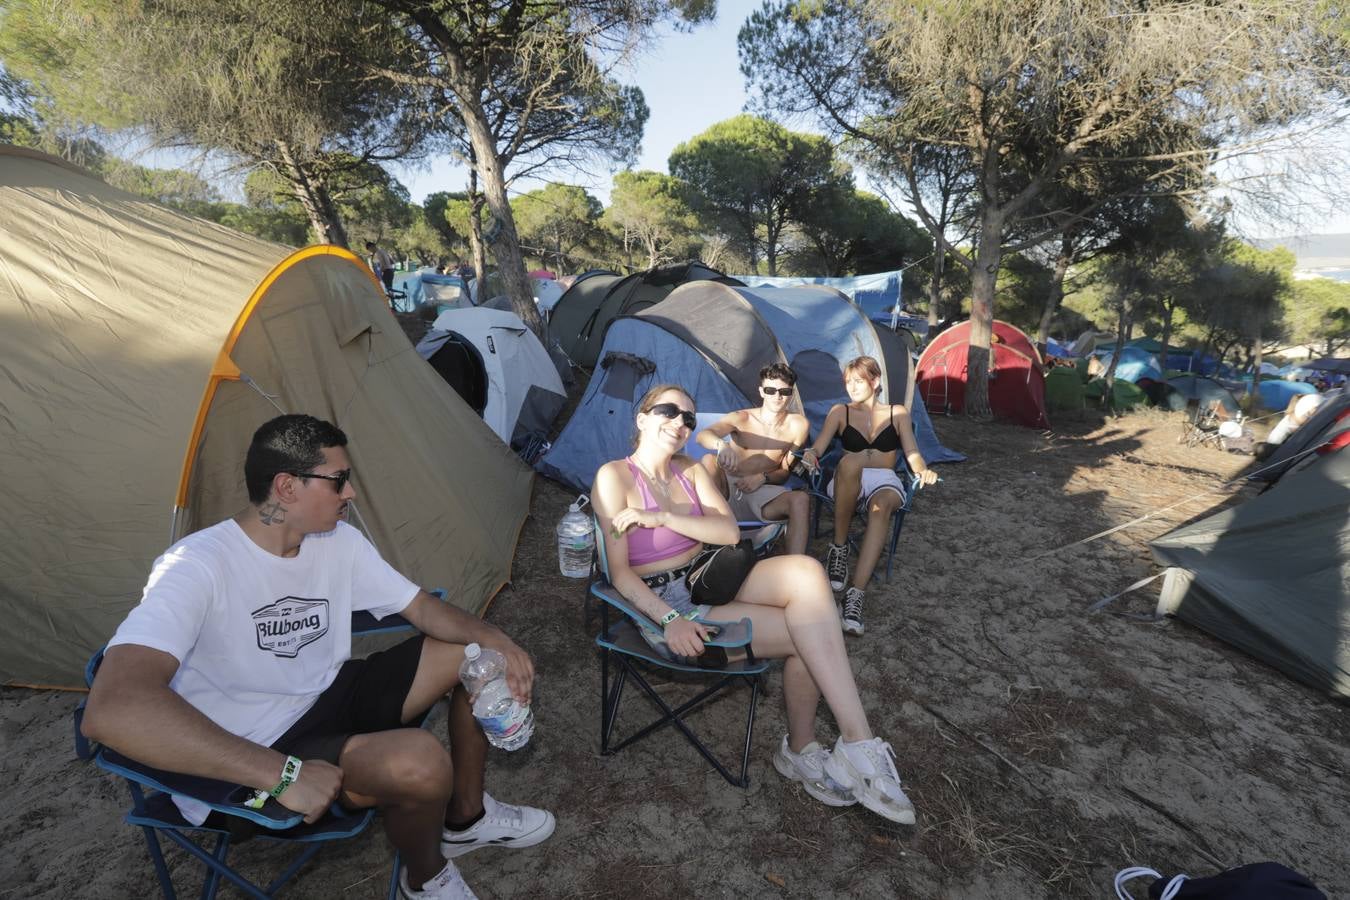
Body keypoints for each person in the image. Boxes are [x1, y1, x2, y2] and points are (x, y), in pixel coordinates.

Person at [80, 414, 553, 900]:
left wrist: (499, 639)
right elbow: (113, 707)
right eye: (338, 480)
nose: (349, 493)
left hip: (324, 696)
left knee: (473, 655)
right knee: (422, 763)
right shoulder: (196, 566)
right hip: (255, 745)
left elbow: (421, 607)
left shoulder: (336, 541)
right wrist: (281, 773)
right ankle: (426, 875)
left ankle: (466, 818)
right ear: (286, 487)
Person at [590, 384, 917, 825]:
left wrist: (663, 517)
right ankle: (811, 750)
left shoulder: (690, 471)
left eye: (688, 418)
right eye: (669, 411)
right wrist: (668, 620)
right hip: (665, 604)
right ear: (642, 418)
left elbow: (728, 533)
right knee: (812, 632)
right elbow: (621, 573)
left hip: (711, 576)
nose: (680, 423)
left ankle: (854, 745)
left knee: (807, 573)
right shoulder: (614, 477)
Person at [801, 356, 938, 637]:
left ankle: (855, 596)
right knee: (851, 462)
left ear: (875, 382)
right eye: (848, 381)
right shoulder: (840, 412)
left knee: (883, 505)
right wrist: (810, 455)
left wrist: (923, 470)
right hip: (845, 479)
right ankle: (838, 548)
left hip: (883, 480)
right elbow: (818, 447)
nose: (851, 387)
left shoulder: (897, 412)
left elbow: (912, 453)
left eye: (858, 381)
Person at [694, 363, 812, 555]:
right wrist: (721, 445)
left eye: (784, 391)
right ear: (761, 392)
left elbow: (784, 472)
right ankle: (702, 547)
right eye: (771, 390)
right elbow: (703, 435)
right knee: (708, 460)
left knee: (801, 499)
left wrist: (762, 478)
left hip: (761, 492)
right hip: (725, 491)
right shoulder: (742, 418)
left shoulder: (798, 425)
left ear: (791, 394)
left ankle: (796, 565)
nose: (777, 396)